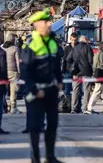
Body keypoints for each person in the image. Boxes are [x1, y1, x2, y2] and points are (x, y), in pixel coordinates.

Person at [21, 9, 63, 163]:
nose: (49, 24)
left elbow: (57, 65)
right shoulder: (31, 44)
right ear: (37, 25)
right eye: (46, 22)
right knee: (35, 127)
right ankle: (35, 158)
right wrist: (34, 90)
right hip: (37, 92)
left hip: (51, 91)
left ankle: (50, 157)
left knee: (52, 124)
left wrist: (59, 81)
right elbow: (26, 70)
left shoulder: (52, 42)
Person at [68, 35, 94, 114]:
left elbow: (68, 59)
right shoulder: (88, 48)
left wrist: (72, 66)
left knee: (75, 90)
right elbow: (90, 60)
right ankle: (85, 108)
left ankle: (74, 108)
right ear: (85, 40)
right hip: (86, 71)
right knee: (86, 89)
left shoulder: (74, 48)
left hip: (76, 72)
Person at [87, 41, 103, 114]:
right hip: (100, 74)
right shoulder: (102, 54)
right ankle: (90, 107)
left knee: (100, 91)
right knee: (97, 91)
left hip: (96, 73)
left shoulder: (97, 53)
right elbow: (102, 64)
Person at [3, 32, 21, 114]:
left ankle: (3, 106)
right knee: (13, 90)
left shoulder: (2, 48)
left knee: (3, 90)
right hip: (13, 71)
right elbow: (18, 62)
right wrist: (19, 72)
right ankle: (13, 107)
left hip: (3, 71)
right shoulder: (15, 48)